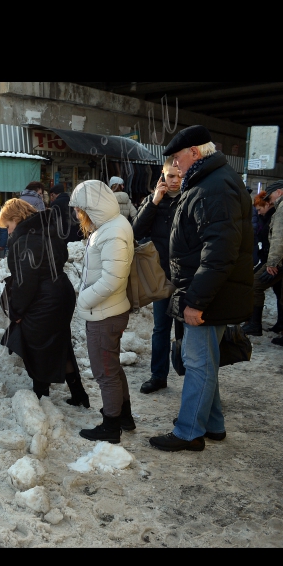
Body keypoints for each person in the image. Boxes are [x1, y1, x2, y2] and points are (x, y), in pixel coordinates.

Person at [150, 125, 254, 453]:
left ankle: (189, 432)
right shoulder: (214, 180)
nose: (175, 166)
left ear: (195, 152)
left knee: (197, 363)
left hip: (208, 295)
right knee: (205, 361)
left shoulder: (213, 186)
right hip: (213, 292)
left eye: (178, 158)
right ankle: (213, 424)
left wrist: (195, 301)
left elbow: (219, 252)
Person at [0, 199, 89, 407]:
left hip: (43, 299)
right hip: (62, 293)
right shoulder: (49, 230)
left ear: (16, 219)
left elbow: (25, 282)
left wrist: (17, 311)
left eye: (8, 226)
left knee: (38, 347)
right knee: (60, 344)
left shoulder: (24, 240)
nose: (9, 232)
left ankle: (40, 398)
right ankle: (79, 394)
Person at [70, 181, 135, 444]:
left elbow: (113, 279)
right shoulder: (110, 227)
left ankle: (111, 427)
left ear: (90, 208)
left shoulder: (112, 232)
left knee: (104, 372)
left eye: (78, 209)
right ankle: (123, 416)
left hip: (104, 313)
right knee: (112, 367)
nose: (76, 215)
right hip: (108, 310)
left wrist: (83, 300)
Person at [132, 158, 183, 394]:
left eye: (178, 175)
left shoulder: (191, 198)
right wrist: (154, 202)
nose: (174, 181)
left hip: (186, 277)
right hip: (161, 276)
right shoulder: (153, 201)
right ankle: (158, 375)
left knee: (186, 330)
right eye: (170, 176)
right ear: (162, 177)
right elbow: (135, 231)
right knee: (161, 328)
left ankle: (189, 375)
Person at [243, 181, 283, 346]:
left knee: (256, 285)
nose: (269, 201)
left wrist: (273, 262)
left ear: (279, 193)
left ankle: (255, 325)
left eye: (270, 198)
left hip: (282, 259)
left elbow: (281, 237)